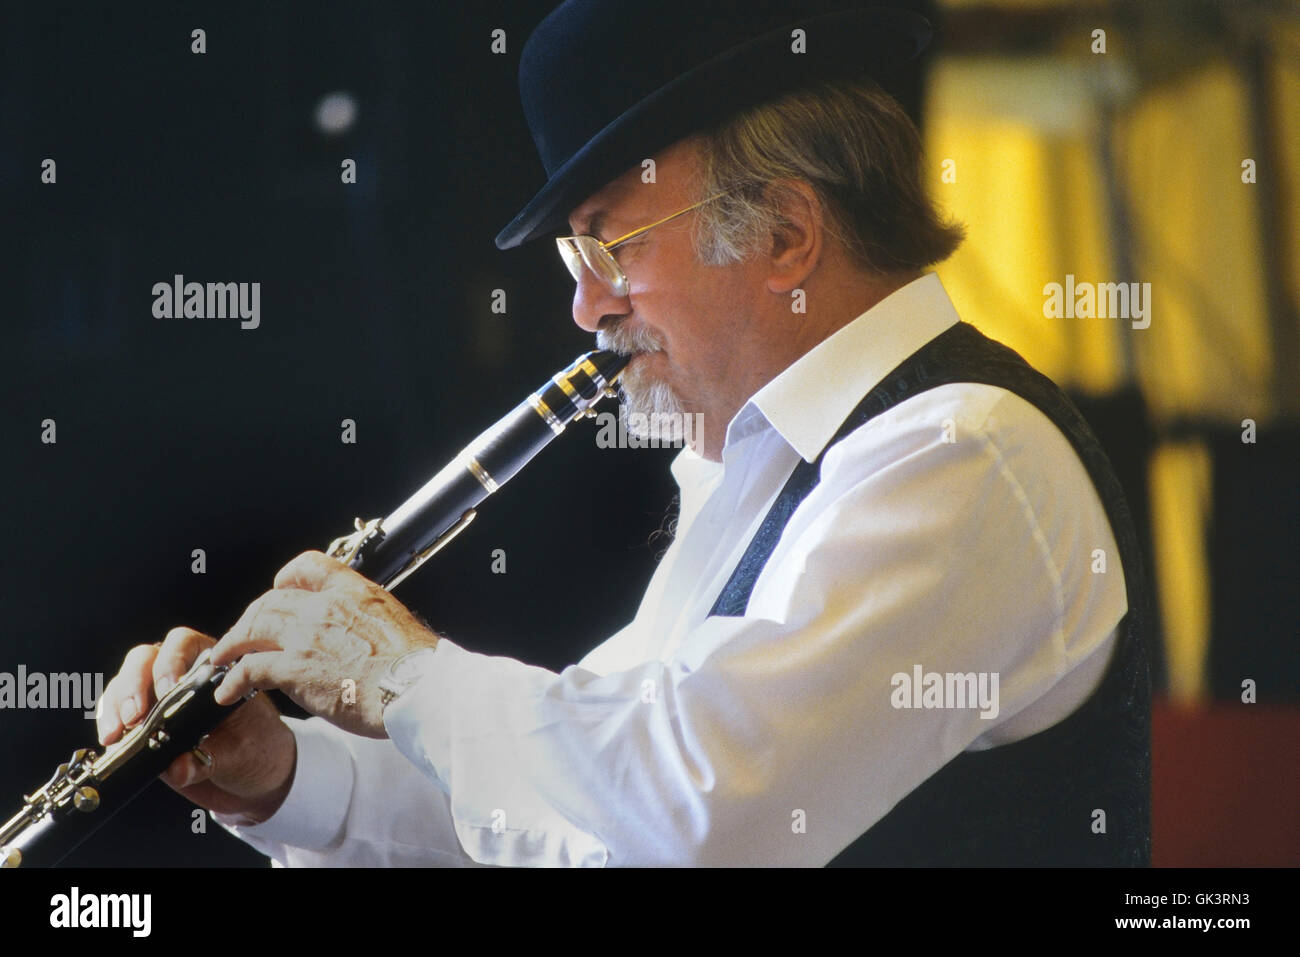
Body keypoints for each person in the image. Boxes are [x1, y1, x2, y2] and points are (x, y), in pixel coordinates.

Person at [94, 0, 1151, 866]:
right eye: (575, 260)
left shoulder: (958, 454)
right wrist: (283, 778)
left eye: (611, 245)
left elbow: (694, 819)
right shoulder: (757, 470)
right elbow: (574, 814)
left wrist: (403, 675)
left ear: (785, 235)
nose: (586, 309)